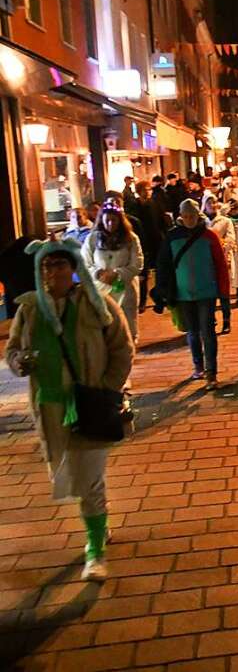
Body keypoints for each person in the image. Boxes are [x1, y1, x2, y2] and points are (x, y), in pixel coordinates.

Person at [4, 237, 134, 581]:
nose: (52, 272)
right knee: (73, 476)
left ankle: (94, 548)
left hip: (90, 401)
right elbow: (13, 349)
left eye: (59, 264)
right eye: (46, 266)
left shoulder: (97, 304)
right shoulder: (29, 309)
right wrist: (20, 363)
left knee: (88, 479)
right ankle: (99, 522)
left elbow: (122, 348)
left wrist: (107, 388)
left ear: (73, 268)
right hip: (51, 407)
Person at [155, 199, 231, 389]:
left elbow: (221, 265)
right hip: (183, 293)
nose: (189, 220)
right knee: (192, 332)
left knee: (208, 331)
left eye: (192, 216)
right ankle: (198, 365)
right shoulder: (172, 237)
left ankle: (211, 371)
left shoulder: (209, 236)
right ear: (180, 216)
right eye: (186, 216)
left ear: (199, 216)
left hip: (207, 291)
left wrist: (223, 291)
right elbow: (163, 265)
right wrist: (163, 290)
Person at [82, 203, 144, 343]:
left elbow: (137, 263)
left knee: (127, 323)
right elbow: (85, 262)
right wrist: (98, 273)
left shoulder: (131, 239)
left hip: (124, 288)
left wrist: (118, 273)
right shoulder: (92, 239)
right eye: (107, 220)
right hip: (101, 288)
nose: (110, 223)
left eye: (114, 220)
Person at [129, 181, 166, 313]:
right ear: (139, 191)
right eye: (145, 189)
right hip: (143, 242)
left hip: (156, 241)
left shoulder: (155, 203)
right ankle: (142, 300)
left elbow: (162, 221)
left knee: (159, 270)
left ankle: (159, 296)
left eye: (149, 189)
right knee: (143, 272)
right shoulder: (135, 205)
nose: (148, 191)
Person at [205, 198, 236, 334]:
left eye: (215, 202)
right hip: (205, 261)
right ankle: (210, 319)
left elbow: (231, 238)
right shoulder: (200, 221)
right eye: (209, 202)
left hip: (222, 258)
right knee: (208, 293)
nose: (213, 205)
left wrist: (222, 244)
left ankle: (226, 321)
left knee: (224, 293)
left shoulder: (225, 221)